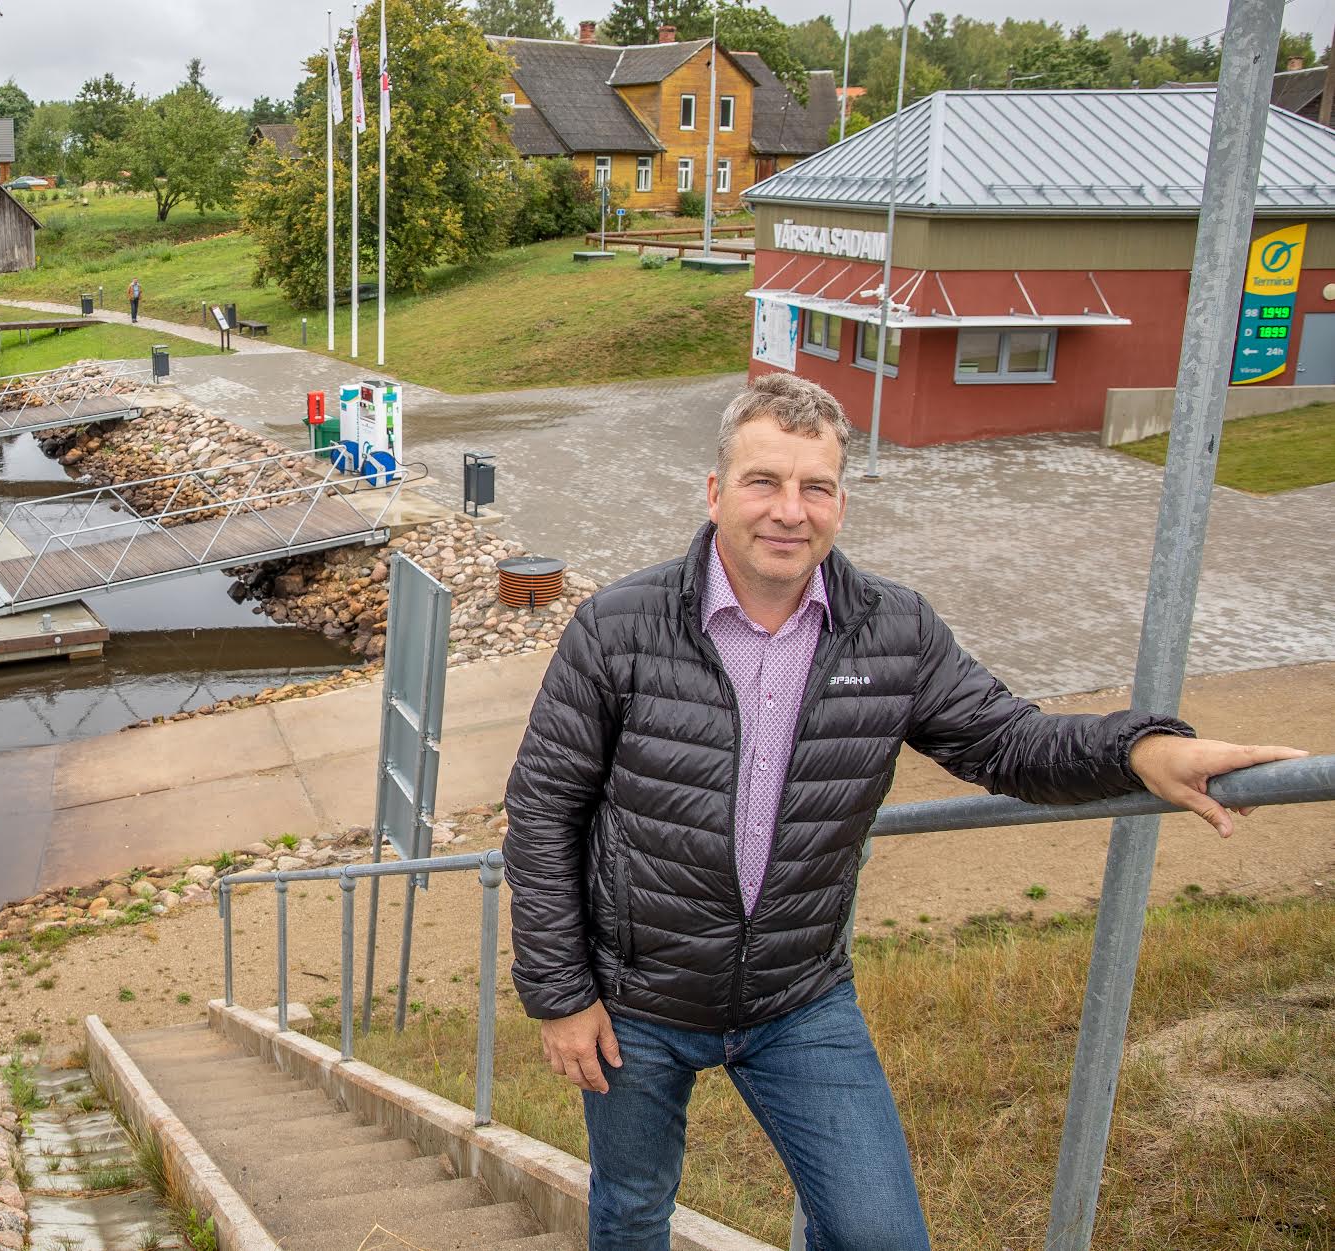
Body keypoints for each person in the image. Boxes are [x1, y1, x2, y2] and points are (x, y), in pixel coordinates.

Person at [502, 372, 1303, 1251]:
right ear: (716, 492)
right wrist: (560, 994)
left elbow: (1008, 742)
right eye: (764, 481)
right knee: (631, 1208)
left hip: (799, 999)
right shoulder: (617, 626)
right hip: (635, 1002)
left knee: (882, 1234)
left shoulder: (895, 630)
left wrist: (1143, 749)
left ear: (842, 501)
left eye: (816, 487)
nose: (789, 511)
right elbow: (544, 810)